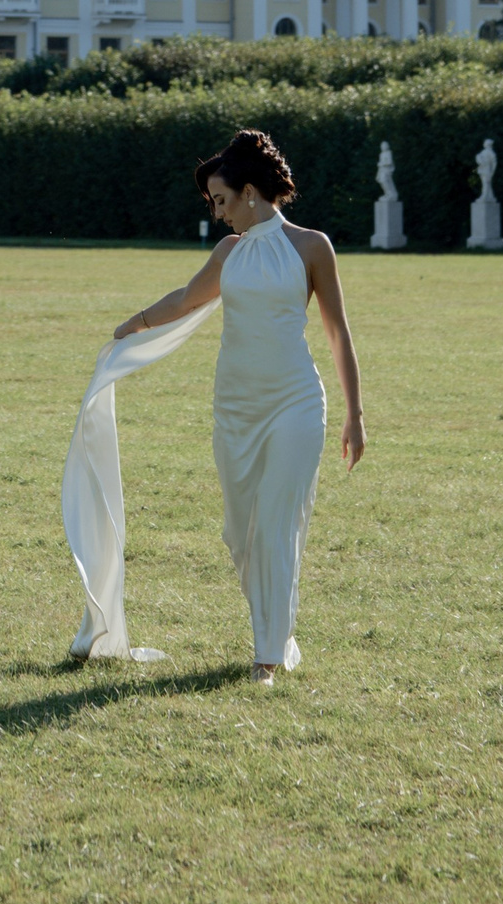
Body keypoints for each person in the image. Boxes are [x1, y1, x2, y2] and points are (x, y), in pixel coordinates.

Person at [112, 127, 364, 683]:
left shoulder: (311, 246)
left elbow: (337, 332)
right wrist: (132, 326)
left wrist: (356, 414)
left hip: (296, 405)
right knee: (242, 533)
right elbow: (186, 299)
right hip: (235, 410)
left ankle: (266, 657)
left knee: (276, 525)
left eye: (221, 200)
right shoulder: (228, 252)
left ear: (250, 192)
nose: (218, 213)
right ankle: (278, 629)